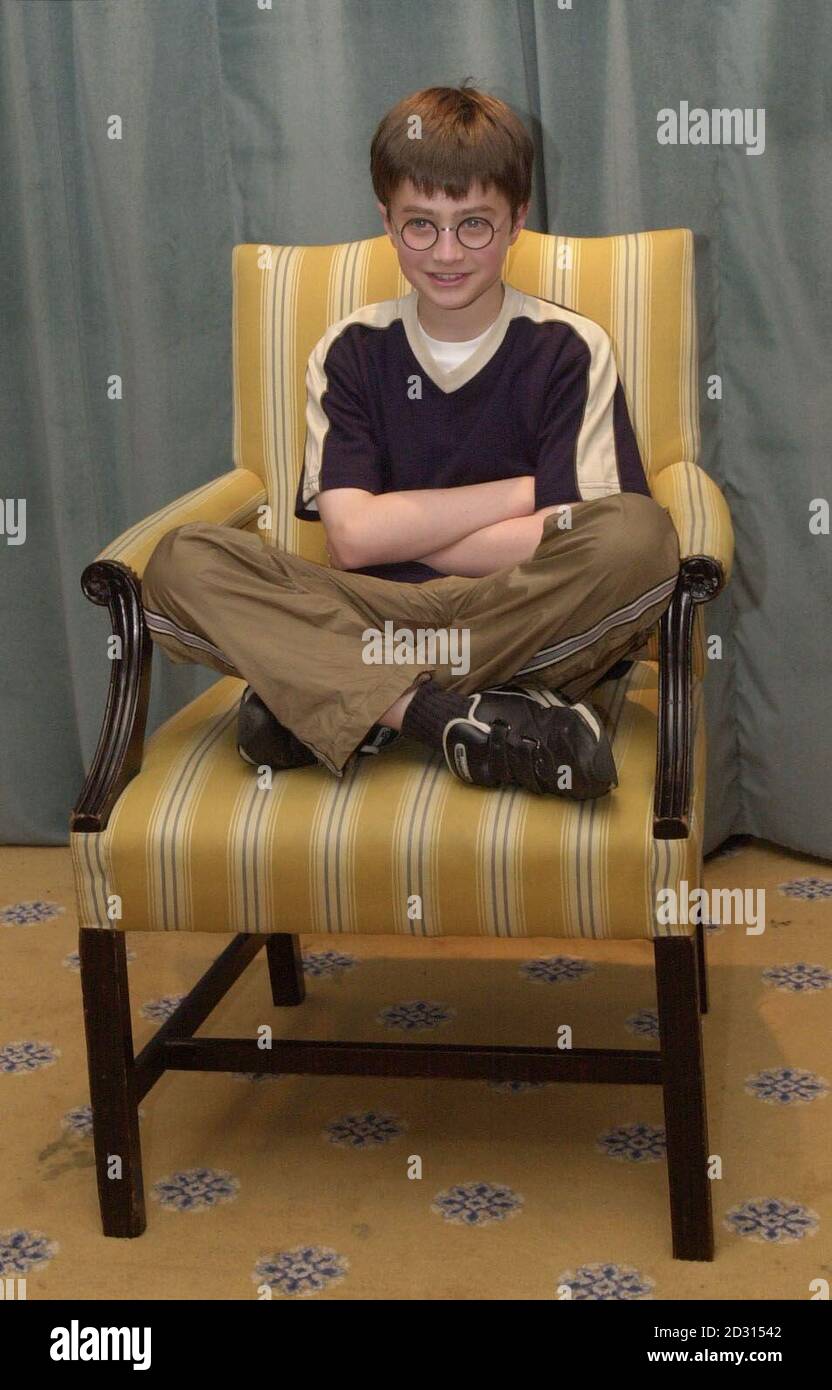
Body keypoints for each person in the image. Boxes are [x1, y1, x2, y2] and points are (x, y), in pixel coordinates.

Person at [141, 82, 680, 799]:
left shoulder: (569, 348)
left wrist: (396, 528)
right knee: (182, 561)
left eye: (475, 225)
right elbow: (354, 545)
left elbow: (570, 535)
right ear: (387, 220)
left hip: (515, 613)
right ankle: (447, 718)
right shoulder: (353, 349)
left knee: (639, 534)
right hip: (373, 615)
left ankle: (325, 696)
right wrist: (520, 494)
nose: (447, 252)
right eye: (421, 225)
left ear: (518, 219)